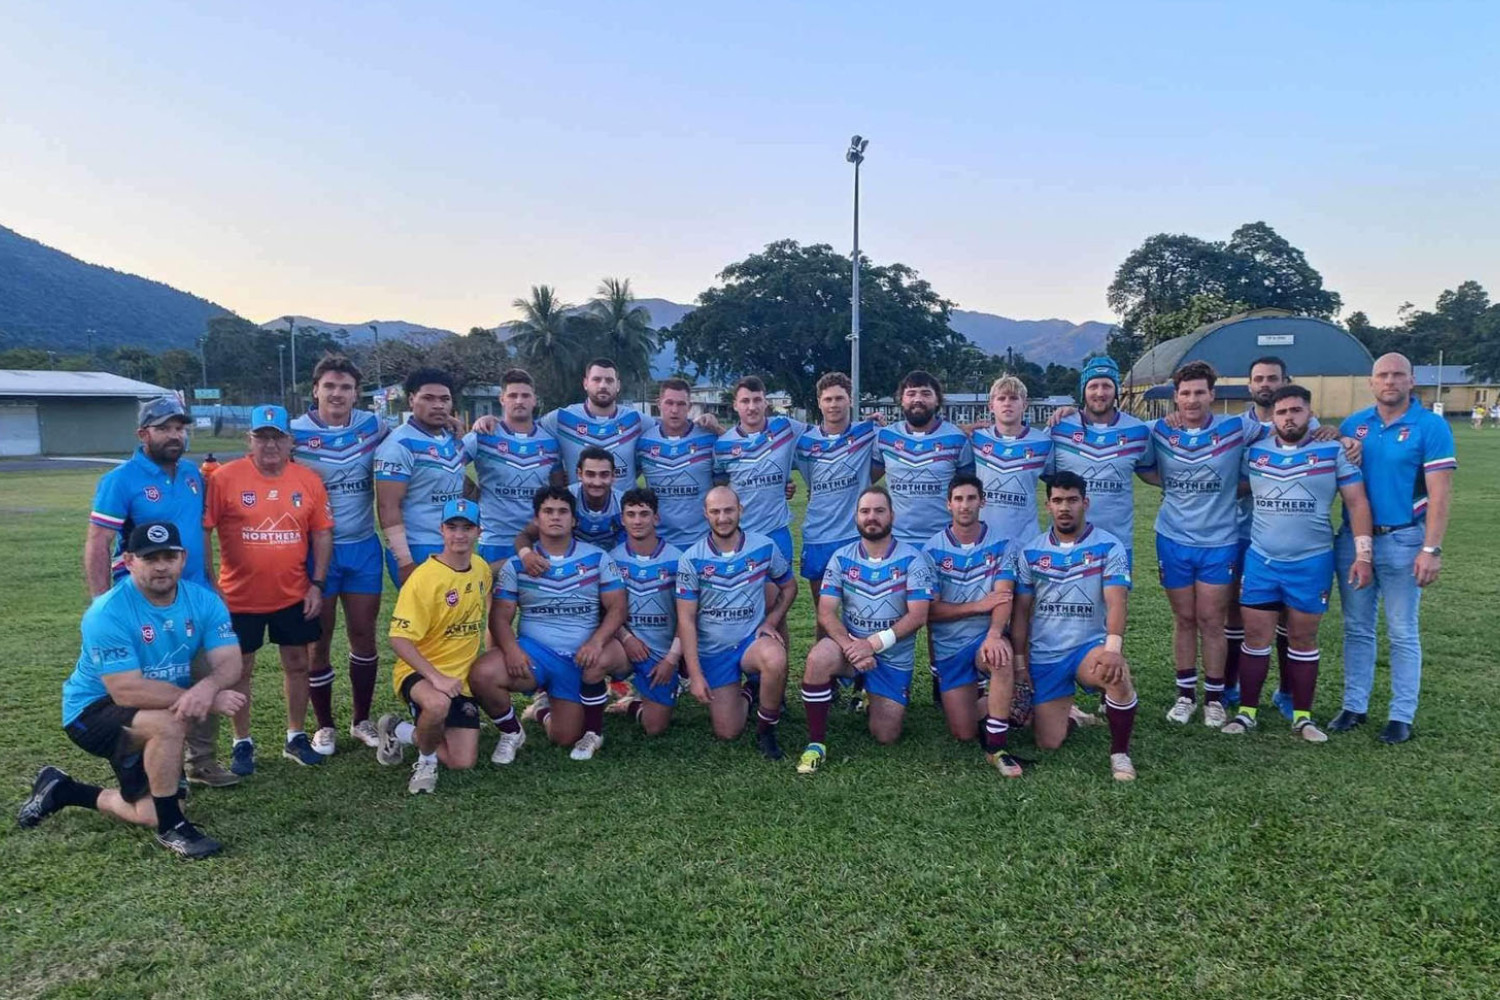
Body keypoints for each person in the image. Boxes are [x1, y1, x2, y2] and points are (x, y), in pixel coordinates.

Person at [18, 522, 246, 858]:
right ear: (128, 560)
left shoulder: (203, 601)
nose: (161, 565)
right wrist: (209, 699)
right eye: (150, 557)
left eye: (169, 556)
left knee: (149, 811)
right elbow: (125, 691)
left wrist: (208, 685)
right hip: (92, 711)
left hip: (150, 709)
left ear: (183, 559)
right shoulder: (107, 612)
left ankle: (64, 791)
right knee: (169, 724)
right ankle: (174, 829)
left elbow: (230, 662)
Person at [82, 395, 236, 787]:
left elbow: (197, 536)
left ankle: (202, 762)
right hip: (142, 601)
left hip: (195, 597)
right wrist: (102, 602)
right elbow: (99, 542)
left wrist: (211, 582)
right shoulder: (120, 480)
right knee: (153, 685)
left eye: (180, 428)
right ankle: (151, 765)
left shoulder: (191, 474)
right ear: (143, 433)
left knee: (207, 674)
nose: (174, 435)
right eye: (164, 428)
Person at [1224, 386, 1374, 742]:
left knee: (1303, 638)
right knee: (1256, 637)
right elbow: (1230, 487)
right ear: (1272, 417)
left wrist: (1363, 554)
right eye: (1282, 412)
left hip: (1311, 562)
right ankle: (1247, 712)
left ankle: (1303, 717)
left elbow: (1357, 503)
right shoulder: (1255, 453)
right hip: (1262, 560)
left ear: (1310, 413)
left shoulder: (1333, 450)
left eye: (1296, 410)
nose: (1289, 418)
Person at [1330, 353, 1456, 743]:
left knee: (1402, 631)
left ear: (1411, 380)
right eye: (1382, 375)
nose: (1390, 381)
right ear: (1371, 382)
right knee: (1356, 628)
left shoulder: (1430, 426)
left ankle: (1401, 714)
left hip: (1404, 539)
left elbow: (1439, 495)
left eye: (1398, 374)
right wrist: (1332, 433)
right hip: (1354, 540)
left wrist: (1431, 549)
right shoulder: (1356, 424)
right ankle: (1355, 705)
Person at [203, 405, 333, 773]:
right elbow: (204, 529)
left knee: (298, 663)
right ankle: (241, 742)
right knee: (239, 670)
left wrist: (317, 584)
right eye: (263, 437)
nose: (270, 445)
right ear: (250, 440)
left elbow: (322, 533)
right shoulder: (225, 478)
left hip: (293, 593)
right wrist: (211, 583)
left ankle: (295, 736)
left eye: (278, 437)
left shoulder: (307, 479)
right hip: (238, 597)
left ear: (290, 441)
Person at [475, 486, 629, 760]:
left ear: (574, 520)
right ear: (536, 519)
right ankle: (511, 731)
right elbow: (499, 617)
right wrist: (510, 649)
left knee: (564, 737)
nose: (555, 517)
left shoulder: (596, 557)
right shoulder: (518, 564)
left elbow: (617, 607)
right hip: (536, 653)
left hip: (580, 656)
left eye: (562, 512)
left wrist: (596, 641)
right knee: (482, 674)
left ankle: (543, 709)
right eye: (548, 511)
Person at [1007, 473, 1139, 781]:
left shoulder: (1109, 546)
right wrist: (1020, 663)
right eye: (1057, 501)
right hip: (1046, 656)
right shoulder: (1031, 552)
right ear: (1047, 506)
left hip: (1086, 650)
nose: (1064, 508)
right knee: (1047, 742)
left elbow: (1117, 601)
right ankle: (1073, 716)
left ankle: (1120, 753)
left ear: (1085, 503)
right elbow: (1022, 613)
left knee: (1117, 674)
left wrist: (1113, 649)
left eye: (1071, 500)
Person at [1150, 361, 1261, 728]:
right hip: (1173, 538)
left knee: (1212, 620)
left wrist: (1332, 434)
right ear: (1175, 397)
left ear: (1213, 394)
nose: (1193, 399)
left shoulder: (1237, 428)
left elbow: (1289, 428)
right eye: (1185, 393)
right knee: (1184, 619)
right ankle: (1185, 695)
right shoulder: (1160, 432)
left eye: (1200, 392)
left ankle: (1214, 697)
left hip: (1219, 540)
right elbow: (1121, 436)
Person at [795, 487, 937, 774]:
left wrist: (871, 644)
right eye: (865, 511)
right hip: (851, 649)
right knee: (818, 658)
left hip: (891, 656)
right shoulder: (841, 558)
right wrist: (852, 646)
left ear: (892, 516)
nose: (872, 517)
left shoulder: (913, 559)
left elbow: (918, 616)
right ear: (856, 517)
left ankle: (872, 691)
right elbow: (825, 612)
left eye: (879, 511)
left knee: (886, 735)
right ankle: (816, 744)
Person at [290, 354, 390, 755]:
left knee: (364, 637)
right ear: (315, 390)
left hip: (364, 545)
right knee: (319, 641)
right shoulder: (293, 432)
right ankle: (325, 725)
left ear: (356, 393)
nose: (337, 393)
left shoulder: (374, 426)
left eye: (345, 387)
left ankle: (361, 720)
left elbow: (414, 434)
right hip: (317, 553)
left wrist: (457, 424)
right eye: (329, 386)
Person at [374, 499, 504, 793]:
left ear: (478, 532)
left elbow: (493, 572)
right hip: (420, 671)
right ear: (441, 531)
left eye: (467, 527)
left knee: (463, 761)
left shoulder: (480, 568)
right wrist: (436, 678)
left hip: (460, 681)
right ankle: (426, 762)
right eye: (452, 527)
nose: (459, 534)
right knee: (437, 703)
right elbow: (399, 638)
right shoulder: (424, 579)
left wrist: (528, 555)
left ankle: (398, 729)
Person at [675, 485, 797, 760]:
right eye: (715, 511)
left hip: (749, 642)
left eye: (729, 510)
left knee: (775, 657)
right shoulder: (692, 559)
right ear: (705, 514)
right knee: (727, 731)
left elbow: (789, 587)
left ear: (740, 510)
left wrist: (771, 621)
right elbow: (686, 620)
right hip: (715, 651)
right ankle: (750, 693)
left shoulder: (764, 546)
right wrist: (695, 675)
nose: (723, 518)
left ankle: (767, 731)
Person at [922, 474, 1016, 754]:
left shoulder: (1003, 545)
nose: (965, 505)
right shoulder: (931, 550)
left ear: (982, 502)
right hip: (950, 648)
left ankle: (996, 748)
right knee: (963, 732)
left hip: (983, 639)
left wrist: (994, 634)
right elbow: (930, 612)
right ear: (948, 504)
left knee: (1000, 657)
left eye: (971, 498)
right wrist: (977, 606)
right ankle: (1019, 699)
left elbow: (1002, 598)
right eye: (958, 499)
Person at [1046, 357, 1158, 567]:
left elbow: (1150, 471)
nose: (1100, 393)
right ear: (1083, 391)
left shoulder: (1138, 431)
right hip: (1067, 542)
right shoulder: (1058, 428)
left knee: (1115, 600)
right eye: (1093, 386)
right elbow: (1042, 473)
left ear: (1116, 391)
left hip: (1117, 543)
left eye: (1107, 385)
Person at [793, 371, 880, 629]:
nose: (834, 405)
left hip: (857, 535)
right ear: (819, 402)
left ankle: (859, 667)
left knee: (862, 614)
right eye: (828, 399)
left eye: (839, 398)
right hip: (818, 536)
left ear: (850, 400)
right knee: (825, 617)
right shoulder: (804, 442)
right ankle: (827, 669)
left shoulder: (868, 432)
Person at [374, 368, 474, 587]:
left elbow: (461, 487)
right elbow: (388, 506)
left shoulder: (452, 438)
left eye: (444, 399)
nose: (438, 405)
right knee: (424, 620)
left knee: (455, 620)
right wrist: (404, 562)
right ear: (411, 400)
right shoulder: (399, 444)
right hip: (418, 547)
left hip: (452, 544)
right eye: (428, 398)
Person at [465, 368, 565, 567]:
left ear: (534, 400)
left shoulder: (551, 443)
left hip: (538, 539)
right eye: (513, 395)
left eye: (525, 395)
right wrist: (472, 493)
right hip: (495, 540)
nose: (519, 401)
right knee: (493, 598)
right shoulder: (483, 435)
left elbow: (558, 490)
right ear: (502, 399)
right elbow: (448, 466)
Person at [605, 488, 684, 734]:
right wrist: (627, 638)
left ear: (656, 518)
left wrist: (672, 659)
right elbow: (603, 611)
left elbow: (687, 616)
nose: (637, 520)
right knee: (593, 661)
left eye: (644, 514)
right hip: (625, 646)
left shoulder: (679, 559)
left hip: (661, 653)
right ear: (622, 519)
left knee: (655, 728)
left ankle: (632, 704)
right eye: (631, 514)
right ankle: (586, 717)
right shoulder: (611, 560)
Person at [874, 370, 975, 549]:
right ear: (901, 400)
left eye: (926, 393)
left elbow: (969, 491)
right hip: (896, 541)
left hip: (944, 541)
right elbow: (864, 480)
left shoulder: (957, 438)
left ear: (937, 400)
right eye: (911, 394)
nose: (918, 399)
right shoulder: (885, 437)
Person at [712, 376, 807, 564]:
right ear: (735, 405)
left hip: (777, 531)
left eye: (757, 400)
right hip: (741, 533)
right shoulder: (722, 445)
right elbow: (720, 486)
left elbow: (824, 434)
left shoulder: (785, 428)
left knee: (783, 588)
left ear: (766, 403)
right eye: (745, 401)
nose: (751, 407)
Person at [636, 377, 718, 550]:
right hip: (658, 542)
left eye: (681, 404)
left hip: (701, 540)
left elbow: (732, 475)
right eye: (669, 403)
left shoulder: (708, 439)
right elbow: (628, 477)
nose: (674, 410)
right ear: (659, 404)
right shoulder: (644, 442)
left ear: (689, 406)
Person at [539, 357, 647, 485]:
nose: (603, 385)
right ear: (585, 383)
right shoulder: (560, 419)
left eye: (609, 380)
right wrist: (556, 471)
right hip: (577, 503)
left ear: (618, 385)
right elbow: (531, 434)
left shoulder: (637, 420)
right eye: (596, 379)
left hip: (623, 503)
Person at [971, 375, 1053, 545]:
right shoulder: (975, 439)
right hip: (983, 541)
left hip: (1025, 540)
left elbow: (1058, 484)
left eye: (1014, 398)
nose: (1007, 403)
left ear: (1024, 405)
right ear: (991, 406)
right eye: (1001, 398)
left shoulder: (1043, 442)